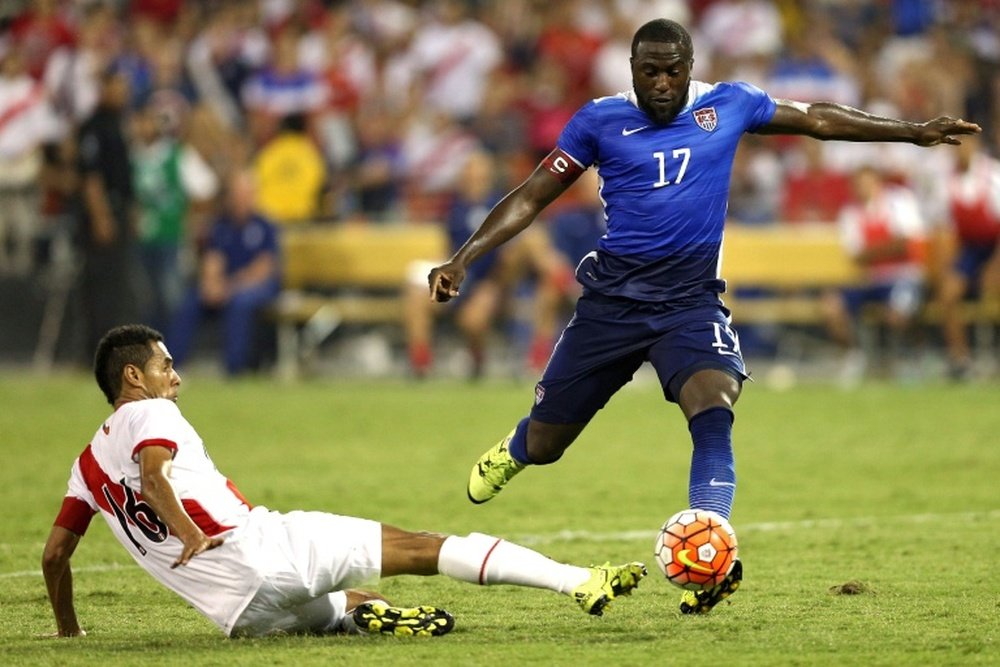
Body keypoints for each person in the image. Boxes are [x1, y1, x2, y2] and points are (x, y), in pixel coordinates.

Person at [427, 19, 979, 615]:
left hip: (690, 304)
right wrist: (462, 259)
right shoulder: (598, 120)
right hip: (612, 305)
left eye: (673, 69)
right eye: (649, 71)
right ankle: (517, 448)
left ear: (691, 66)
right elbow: (533, 195)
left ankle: (708, 553)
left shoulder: (731, 103)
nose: (662, 82)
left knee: (714, 407)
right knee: (549, 440)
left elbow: (816, 118)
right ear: (632, 69)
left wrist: (911, 132)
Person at [41, 324, 646, 638]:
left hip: (238, 613)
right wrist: (187, 530)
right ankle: (579, 581)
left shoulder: (84, 469)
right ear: (132, 376)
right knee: (424, 547)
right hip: (261, 550)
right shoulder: (149, 412)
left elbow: (54, 556)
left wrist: (69, 630)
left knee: (348, 602)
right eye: (165, 365)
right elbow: (152, 477)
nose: (175, 376)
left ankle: (359, 616)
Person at [821, 165, 928, 386]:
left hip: (902, 275)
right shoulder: (850, 213)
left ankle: (907, 358)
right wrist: (889, 246)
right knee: (831, 306)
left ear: (878, 183)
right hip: (870, 279)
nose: (863, 189)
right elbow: (857, 256)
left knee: (899, 313)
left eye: (867, 183)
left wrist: (873, 251)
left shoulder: (899, 202)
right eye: (858, 184)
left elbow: (907, 245)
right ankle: (853, 356)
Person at [168, 170, 281, 376]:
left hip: (256, 287)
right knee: (192, 301)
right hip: (227, 285)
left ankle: (234, 369)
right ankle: (172, 366)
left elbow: (263, 269)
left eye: (245, 194)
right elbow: (213, 259)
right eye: (237, 195)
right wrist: (211, 284)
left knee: (240, 303)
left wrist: (230, 286)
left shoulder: (265, 226)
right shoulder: (221, 226)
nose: (241, 200)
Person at [935, 133, 1000, 380]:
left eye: (965, 144)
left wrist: (995, 266)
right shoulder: (948, 181)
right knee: (948, 294)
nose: (960, 150)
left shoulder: (993, 176)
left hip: (995, 246)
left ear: (976, 146)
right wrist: (944, 266)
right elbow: (944, 228)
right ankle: (960, 359)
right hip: (970, 249)